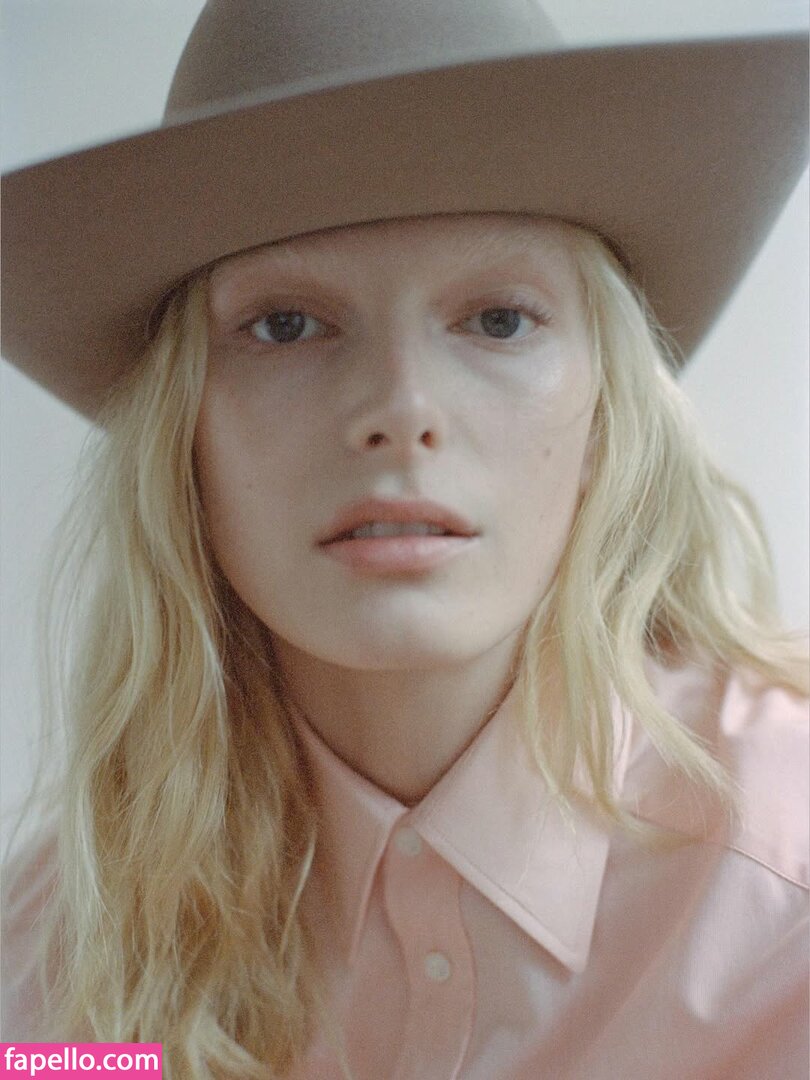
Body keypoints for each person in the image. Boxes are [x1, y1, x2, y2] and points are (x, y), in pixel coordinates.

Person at [1, 2, 808, 1077]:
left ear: (607, 415)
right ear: (181, 435)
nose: (401, 409)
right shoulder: (53, 975)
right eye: (286, 325)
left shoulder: (785, 898)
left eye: (499, 320)